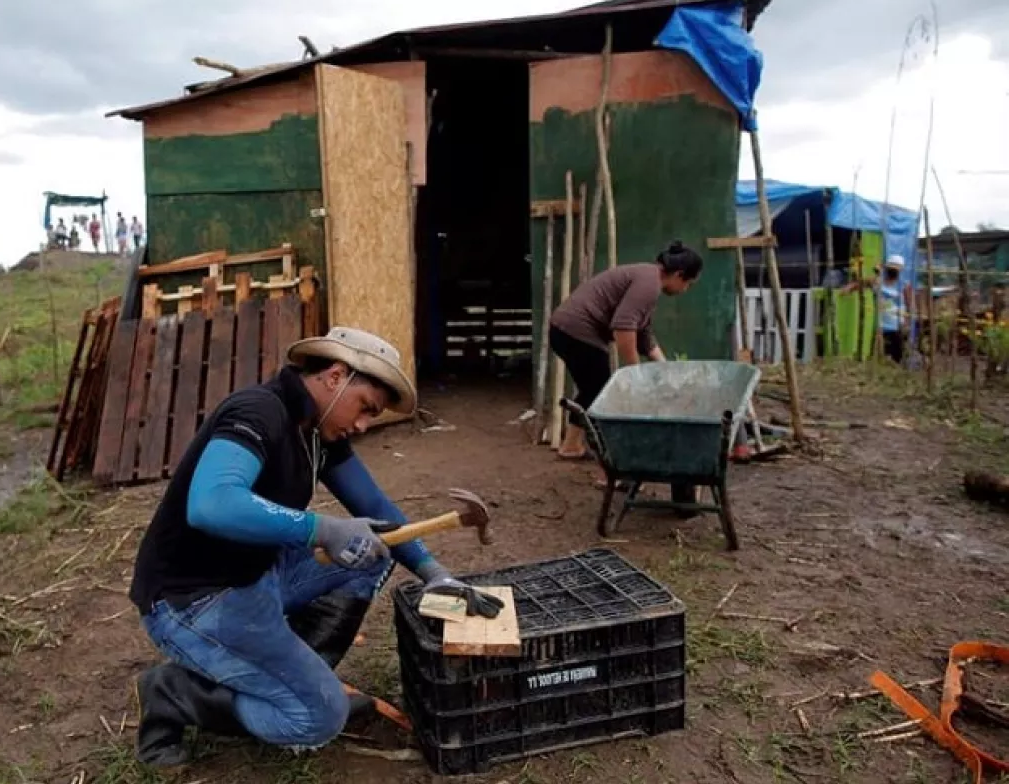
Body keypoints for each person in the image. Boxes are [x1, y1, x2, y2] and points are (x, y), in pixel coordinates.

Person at [128, 327, 503, 767]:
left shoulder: (317, 433)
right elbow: (212, 504)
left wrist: (433, 572)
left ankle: (301, 673)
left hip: (259, 573)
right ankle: (175, 693)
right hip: (193, 599)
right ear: (335, 375)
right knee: (319, 718)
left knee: (371, 551)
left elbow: (376, 508)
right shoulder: (258, 411)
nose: (363, 424)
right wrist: (321, 529)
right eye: (365, 407)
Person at [548, 240, 704, 465]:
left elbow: (643, 332)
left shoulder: (649, 278)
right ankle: (611, 459)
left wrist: (664, 366)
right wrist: (635, 373)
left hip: (565, 329)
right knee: (602, 393)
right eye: (688, 284)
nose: (685, 290)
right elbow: (623, 327)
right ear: (679, 275)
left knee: (592, 389)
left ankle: (572, 445)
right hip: (576, 331)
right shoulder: (649, 283)